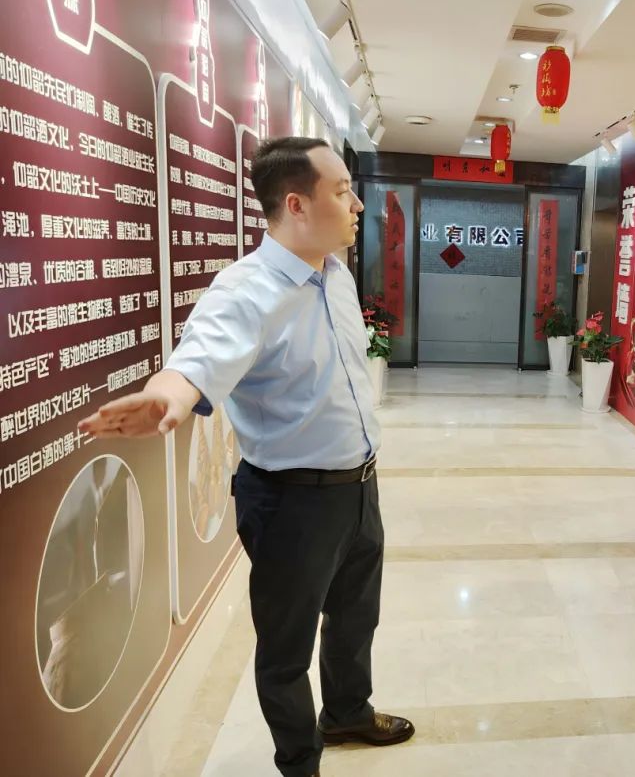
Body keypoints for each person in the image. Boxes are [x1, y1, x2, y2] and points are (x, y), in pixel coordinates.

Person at [78, 137, 413, 777]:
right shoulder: (245, 291)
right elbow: (197, 359)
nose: (357, 205)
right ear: (297, 204)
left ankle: (347, 712)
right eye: (342, 191)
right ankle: (300, 763)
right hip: (292, 502)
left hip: (357, 487)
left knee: (354, 617)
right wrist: (167, 395)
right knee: (285, 649)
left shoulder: (336, 275)